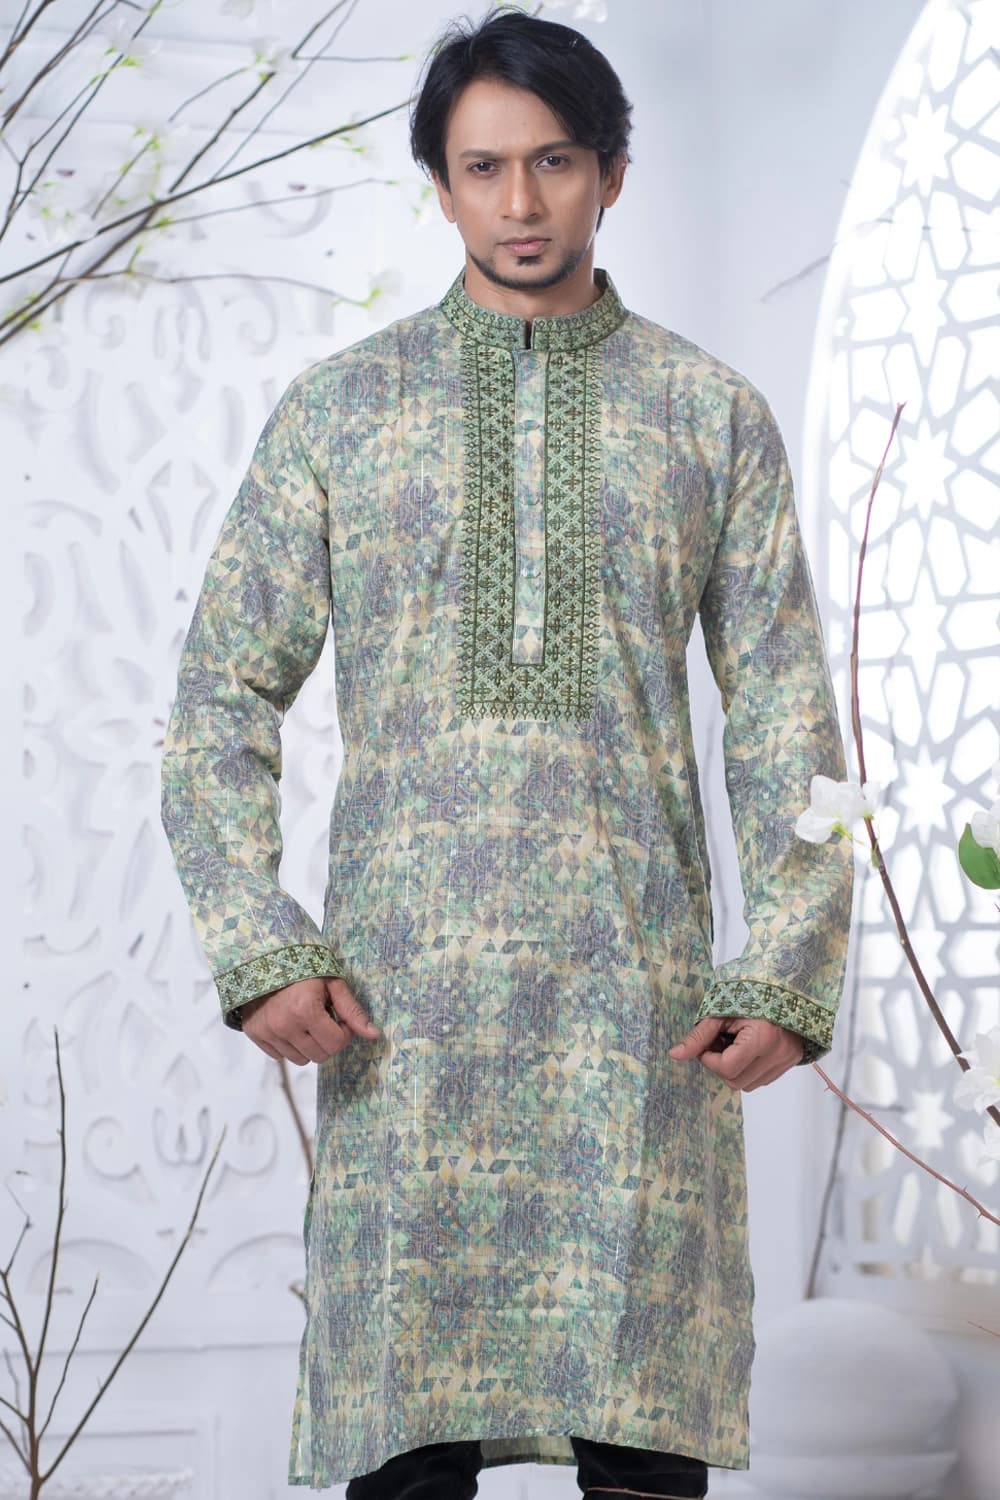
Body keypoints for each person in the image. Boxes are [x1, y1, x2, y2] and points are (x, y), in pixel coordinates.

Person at [160, 7, 853, 1497]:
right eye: (483, 168)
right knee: (405, 1457)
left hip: (638, 1025)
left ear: (614, 174)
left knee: (643, 1451)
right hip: (404, 1026)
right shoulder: (342, 412)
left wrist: (790, 970)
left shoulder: (708, 416)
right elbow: (219, 697)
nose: (520, 202)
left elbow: (794, 721)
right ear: (440, 186)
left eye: (554, 162)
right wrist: (258, 943)